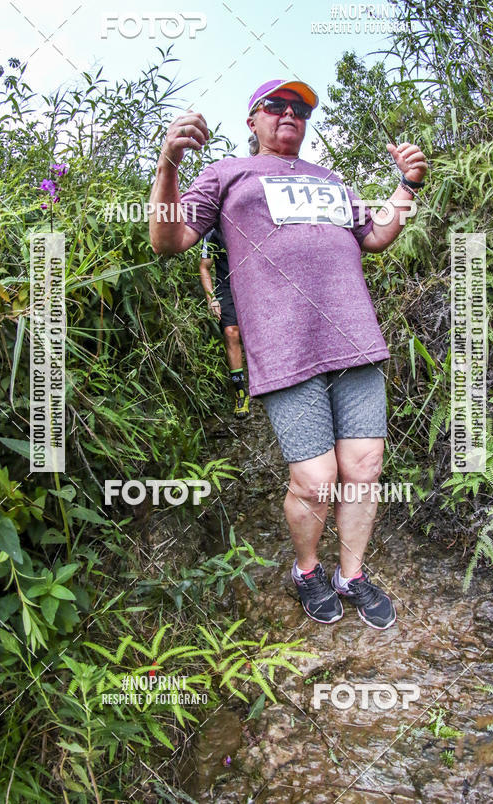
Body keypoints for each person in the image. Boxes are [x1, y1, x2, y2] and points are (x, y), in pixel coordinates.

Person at [149, 78, 428, 629]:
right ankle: (306, 570)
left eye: (299, 109)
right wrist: (167, 166)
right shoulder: (227, 174)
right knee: (317, 479)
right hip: (285, 347)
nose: (289, 115)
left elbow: (374, 235)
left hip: (355, 339)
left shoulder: (329, 179)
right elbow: (168, 241)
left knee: (365, 468)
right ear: (251, 120)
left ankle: (351, 575)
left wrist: (406, 185)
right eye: (275, 106)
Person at [199, 226, 250, 418]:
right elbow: (204, 266)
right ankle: (240, 392)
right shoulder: (213, 233)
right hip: (226, 287)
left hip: (252, 284)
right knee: (230, 332)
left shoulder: (248, 223)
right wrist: (211, 298)